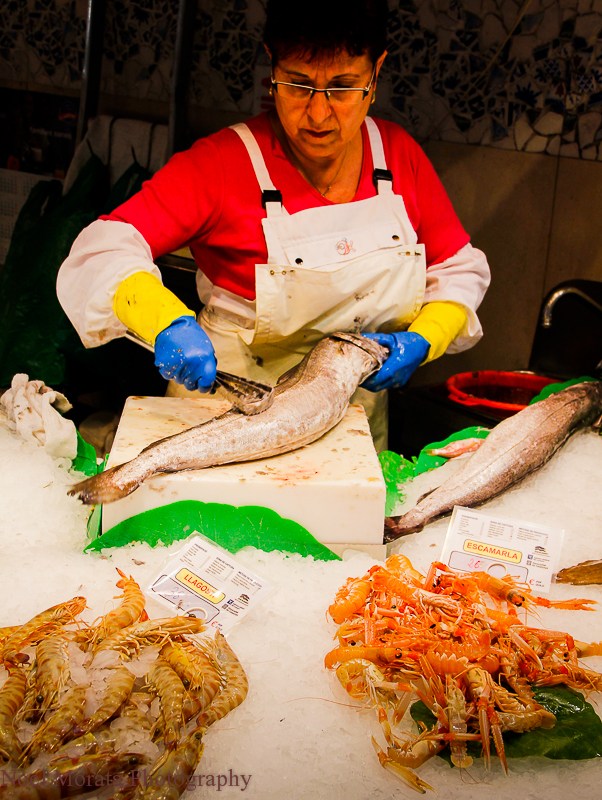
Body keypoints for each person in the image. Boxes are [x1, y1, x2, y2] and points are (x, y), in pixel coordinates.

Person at [57, 0, 490, 451]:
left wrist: (425, 338)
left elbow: (459, 271)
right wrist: (164, 321)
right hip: (220, 417)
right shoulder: (222, 163)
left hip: (350, 430)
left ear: (376, 74)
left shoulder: (398, 156)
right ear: (272, 68)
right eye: (298, 85)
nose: (319, 116)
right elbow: (103, 247)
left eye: (343, 88)